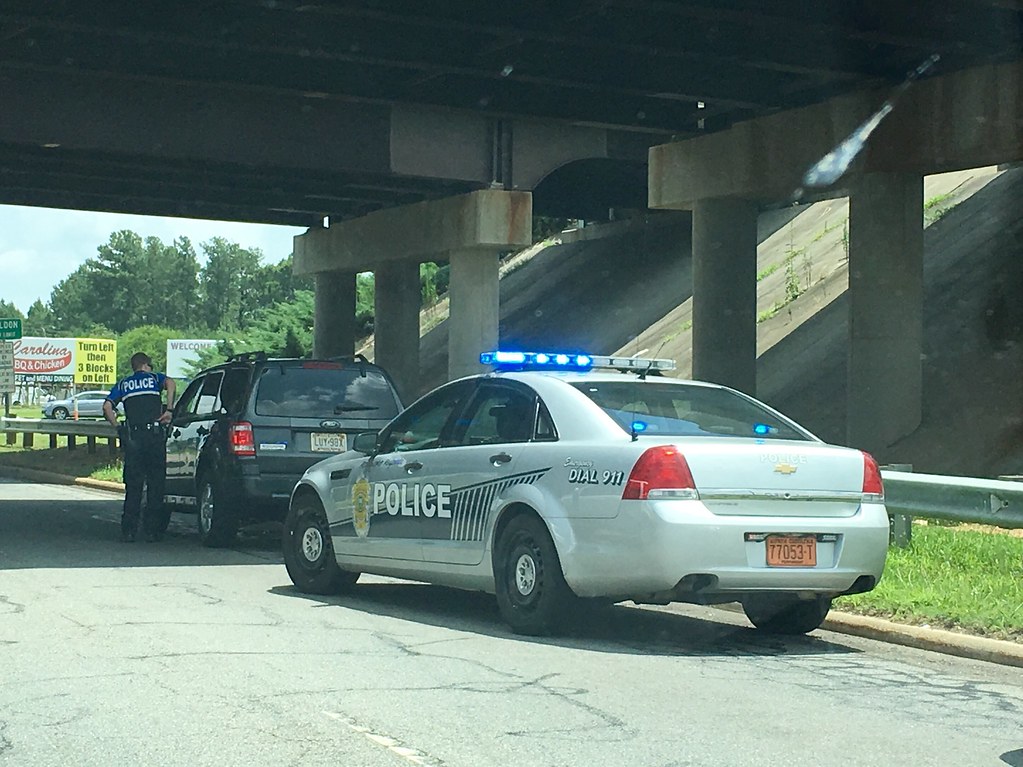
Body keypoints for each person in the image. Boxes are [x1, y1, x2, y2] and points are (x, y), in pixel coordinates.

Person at [103, 352, 176, 543]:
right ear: (145, 365)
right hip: (154, 437)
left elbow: (107, 407)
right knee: (155, 484)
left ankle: (129, 530)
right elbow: (171, 383)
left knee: (133, 486)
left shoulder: (123, 384)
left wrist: (117, 427)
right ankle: (152, 531)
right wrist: (168, 410)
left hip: (133, 438)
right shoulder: (154, 378)